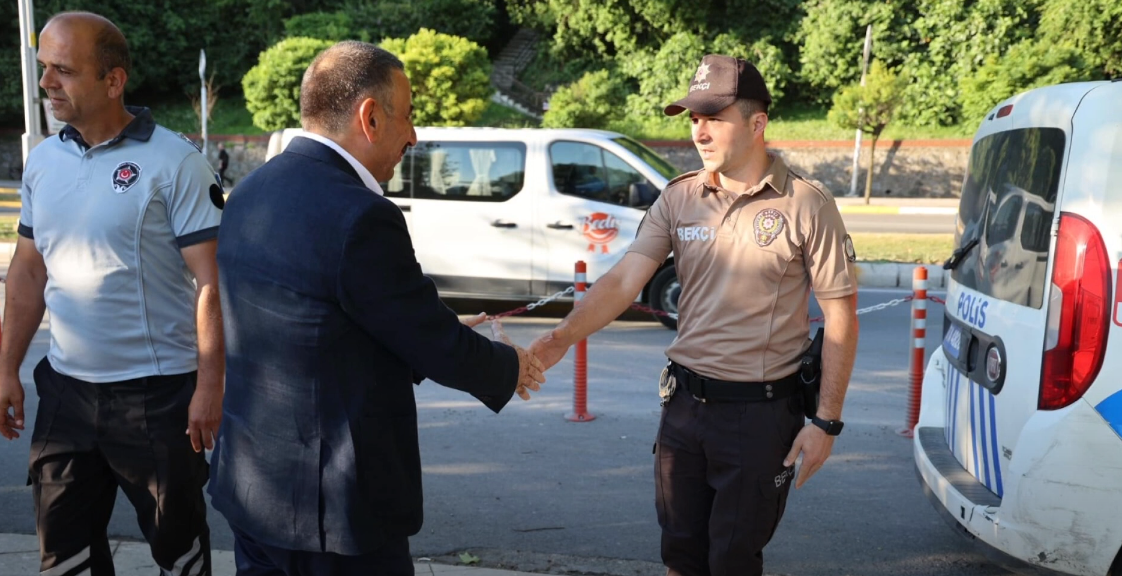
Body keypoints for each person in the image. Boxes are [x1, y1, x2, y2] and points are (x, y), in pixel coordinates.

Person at [208, 41, 545, 576]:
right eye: (407, 117)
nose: (412, 135)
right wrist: (510, 366)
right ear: (370, 116)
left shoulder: (250, 191)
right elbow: (429, 340)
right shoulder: (362, 214)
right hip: (334, 513)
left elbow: (319, 322)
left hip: (254, 486)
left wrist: (439, 328)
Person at [531, 54, 860, 576]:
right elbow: (622, 280)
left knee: (732, 559)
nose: (699, 130)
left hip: (760, 417)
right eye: (693, 118)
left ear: (757, 123)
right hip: (684, 409)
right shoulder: (680, 196)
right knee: (679, 556)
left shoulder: (806, 203)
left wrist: (826, 422)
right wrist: (559, 338)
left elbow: (841, 317)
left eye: (713, 117)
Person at [0, 11, 225, 576]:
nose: (48, 82)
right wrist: (6, 368)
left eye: (64, 71)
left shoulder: (175, 161)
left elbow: (213, 283)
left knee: (180, 555)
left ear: (113, 80)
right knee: (64, 557)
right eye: (44, 68)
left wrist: (211, 386)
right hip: (66, 392)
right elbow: (28, 272)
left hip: (158, 398)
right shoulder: (44, 160)